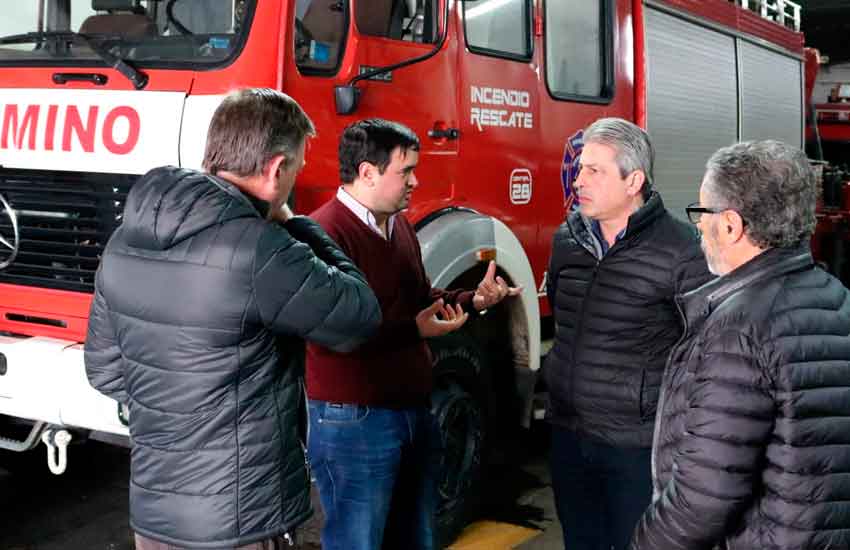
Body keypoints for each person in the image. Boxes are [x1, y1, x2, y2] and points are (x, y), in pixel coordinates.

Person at [84, 88, 381, 550]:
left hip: (154, 523)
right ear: (275, 169)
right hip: (242, 521)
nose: (295, 178)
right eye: (296, 169)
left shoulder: (124, 240)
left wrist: (183, 408)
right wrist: (294, 222)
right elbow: (359, 315)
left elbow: (104, 371)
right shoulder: (259, 248)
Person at [306, 118, 521, 550]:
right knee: (358, 541)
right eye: (405, 172)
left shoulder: (398, 225)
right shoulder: (324, 233)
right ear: (367, 172)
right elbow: (330, 330)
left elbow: (420, 298)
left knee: (417, 537)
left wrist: (473, 299)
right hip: (355, 419)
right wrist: (412, 329)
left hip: (412, 410)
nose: (416, 182)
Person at [631, 140, 850, 550]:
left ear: (731, 225)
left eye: (701, 213)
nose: (698, 227)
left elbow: (702, 498)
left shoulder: (739, 330)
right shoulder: (838, 298)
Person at [545, 117, 712, 550]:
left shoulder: (682, 251)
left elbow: (705, 353)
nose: (579, 180)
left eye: (595, 171)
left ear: (633, 180)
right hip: (568, 434)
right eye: (581, 168)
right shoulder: (568, 238)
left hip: (636, 446)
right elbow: (564, 317)